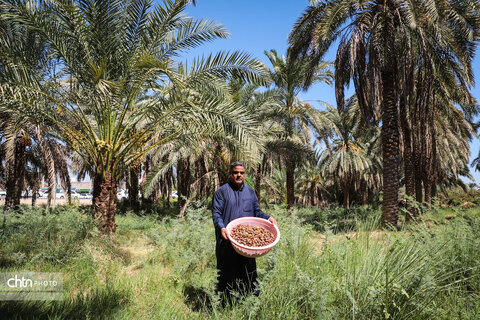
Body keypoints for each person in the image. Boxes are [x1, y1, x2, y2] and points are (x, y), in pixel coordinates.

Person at [212, 161, 277, 305]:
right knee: (227, 274)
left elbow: (257, 212)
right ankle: (226, 304)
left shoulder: (250, 192)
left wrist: (268, 217)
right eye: (236, 172)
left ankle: (251, 303)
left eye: (241, 172)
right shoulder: (222, 192)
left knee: (249, 273)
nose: (238, 175)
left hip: (247, 246)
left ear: (245, 174)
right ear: (231, 174)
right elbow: (216, 213)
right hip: (227, 242)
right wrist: (221, 227)